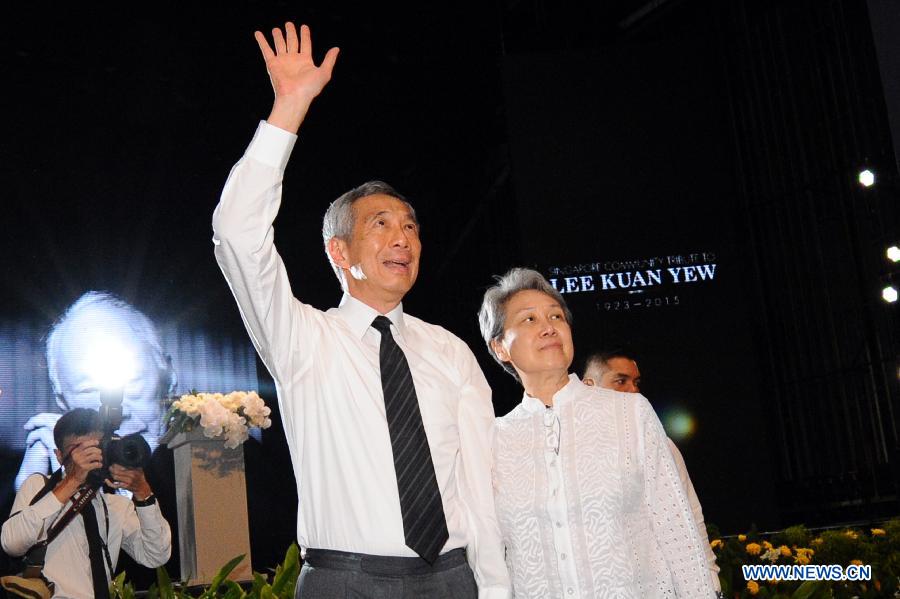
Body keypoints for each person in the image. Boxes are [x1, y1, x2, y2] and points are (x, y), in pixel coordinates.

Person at [212, 22, 508, 599]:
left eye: (411, 227)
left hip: (452, 578)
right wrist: (289, 108)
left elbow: (481, 484)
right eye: (382, 225)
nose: (403, 238)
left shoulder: (449, 351)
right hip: (345, 581)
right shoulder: (302, 340)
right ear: (340, 252)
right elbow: (236, 233)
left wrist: (493, 588)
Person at [478, 268, 715, 598]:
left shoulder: (629, 413)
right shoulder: (493, 439)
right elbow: (491, 556)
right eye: (529, 320)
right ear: (500, 347)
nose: (548, 327)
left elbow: (676, 529)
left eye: (556, 316)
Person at [582, 348, 721, 593]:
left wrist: (711, 586)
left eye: (636, 382)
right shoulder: (567, 449)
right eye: (620, 381)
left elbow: (690, 521)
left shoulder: (659, 443)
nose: (633, 390)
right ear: (589, 385)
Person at [2, 408, 171, 598]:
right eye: (79, 449)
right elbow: (11, 543)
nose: (89, 457)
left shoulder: (116, 505)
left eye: (96, 448)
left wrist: (143, 492)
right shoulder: (38, 486)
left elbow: (155, 556)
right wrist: (72, 481)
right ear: (59, 456)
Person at [15, 292, 176, 490]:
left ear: (168, 376)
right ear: (63, 403)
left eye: (132, 381)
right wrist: (34, 487)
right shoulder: (46, 471)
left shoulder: (202, 463)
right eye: (89, 390)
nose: (119, 411)